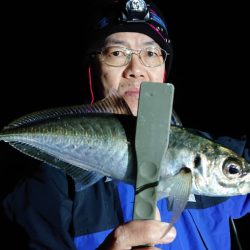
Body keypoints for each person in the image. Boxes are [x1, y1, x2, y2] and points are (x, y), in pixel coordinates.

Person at [1, 0, 249, 249]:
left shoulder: (215, 151)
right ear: (93, 70)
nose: (136, 69)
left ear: (164, 71)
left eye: (151, 53)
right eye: (117, 53)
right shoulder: (48, 190)